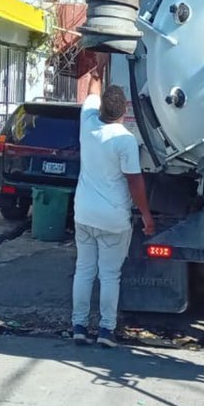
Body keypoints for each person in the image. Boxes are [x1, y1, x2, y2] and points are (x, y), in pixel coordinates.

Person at [71, 72, 155, 347]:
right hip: (113, 218)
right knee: (109, 275)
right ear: (125, 110)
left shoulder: (87, 123)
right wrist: (145, 214)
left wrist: (97, 71)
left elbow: (92, 93)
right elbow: (134, 181)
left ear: (102, 108)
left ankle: (79, 326)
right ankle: (106, 330)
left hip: (84, 213)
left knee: (84, 270)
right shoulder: (124, 139)